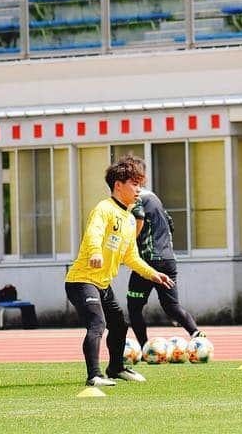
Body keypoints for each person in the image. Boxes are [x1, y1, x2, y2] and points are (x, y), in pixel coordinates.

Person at [65, 155, 174, 387]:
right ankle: (94, 376)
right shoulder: (103, 209)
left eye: (140, 184)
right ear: (118, 185)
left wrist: (153, 273)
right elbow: (94, 233)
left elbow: (131, 256)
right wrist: (95, 252)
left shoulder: (128, 218)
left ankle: (116, 368)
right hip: (82, 280)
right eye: (134, 184)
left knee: (119, 325)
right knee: (97, 324)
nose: (138, 190)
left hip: (102, 283)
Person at [126, 188, 204, 348]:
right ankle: (196, 334)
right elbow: (170, 223)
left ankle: (144, 347)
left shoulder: (136, 198)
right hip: (168, 259)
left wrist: (130, 240)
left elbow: (139, 215)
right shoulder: (154, 197)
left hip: (148, 261)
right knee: (171, 306)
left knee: (134, 307)